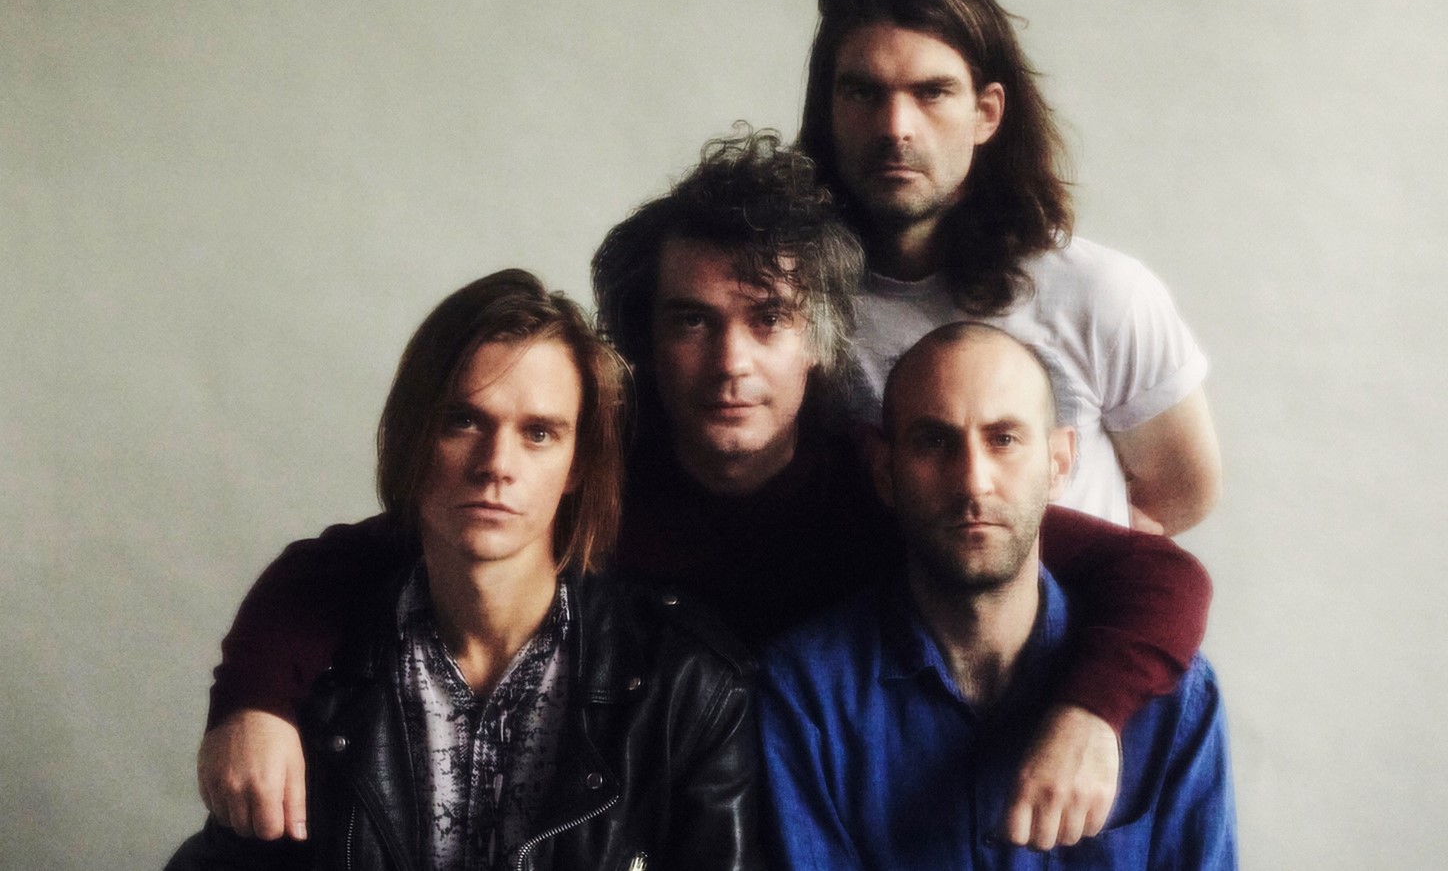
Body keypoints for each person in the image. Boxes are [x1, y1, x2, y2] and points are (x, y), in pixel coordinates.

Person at [194, 132, 1212, 851]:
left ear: (818, 342)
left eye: (767, 319)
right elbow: (348, 563)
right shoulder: (579, 474)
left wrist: (1091, 712)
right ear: (644, 340)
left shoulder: (889, 479)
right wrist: (254, 699)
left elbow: (1157, 576)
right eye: (692, 321)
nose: (731, 361)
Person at [166, 270, 762, 871]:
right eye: (464, 420)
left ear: (577, 464)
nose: (496, 464)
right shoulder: (313, 674)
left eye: (538, 433)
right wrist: (252, 702)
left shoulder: (686, 686)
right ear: (414, 437)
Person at [759, 322, 1236, 868]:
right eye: (934, 441)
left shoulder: (1176, 702)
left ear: (1059, 464)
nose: (973, 482)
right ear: (885, 473)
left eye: (1004, 439)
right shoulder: (805, 697)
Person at [798, 0, 1222, 533]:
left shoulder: (1100, 293)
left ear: (987, 113)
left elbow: (1181, 493)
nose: (895, 127)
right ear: (829, 111)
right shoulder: (787, 306)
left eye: (932, 92)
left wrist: (1069, 582)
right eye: (864, 93)